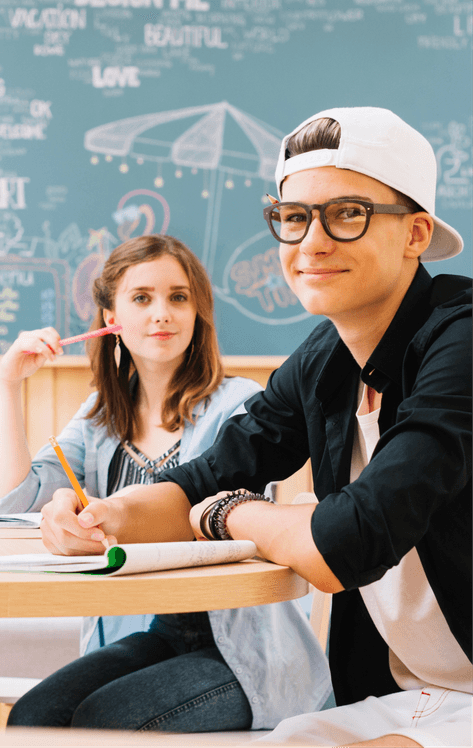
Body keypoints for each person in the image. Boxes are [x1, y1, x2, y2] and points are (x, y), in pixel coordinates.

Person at [50, 108, 471, 747]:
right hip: (408, 696)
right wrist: (100, 517)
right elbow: (202, 480)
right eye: (294, 217)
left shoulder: (461, 343)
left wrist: (235, 515)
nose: (311, 243)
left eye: (348, 213)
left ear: (415, 234)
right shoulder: (325, 360)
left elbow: (344, 544)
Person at [0, 234, 330, 733]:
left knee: (99, 722)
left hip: (245, 649)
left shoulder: (242, 406)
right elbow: (20, 498)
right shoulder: (99, 418)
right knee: (32, 717)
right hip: (160, 632)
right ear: (111, 320)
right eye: (142, 298)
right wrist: (8, 384)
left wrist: (116, 514)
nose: (162, 314)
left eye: (178, 297)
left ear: (198, 313)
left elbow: (248, 532)